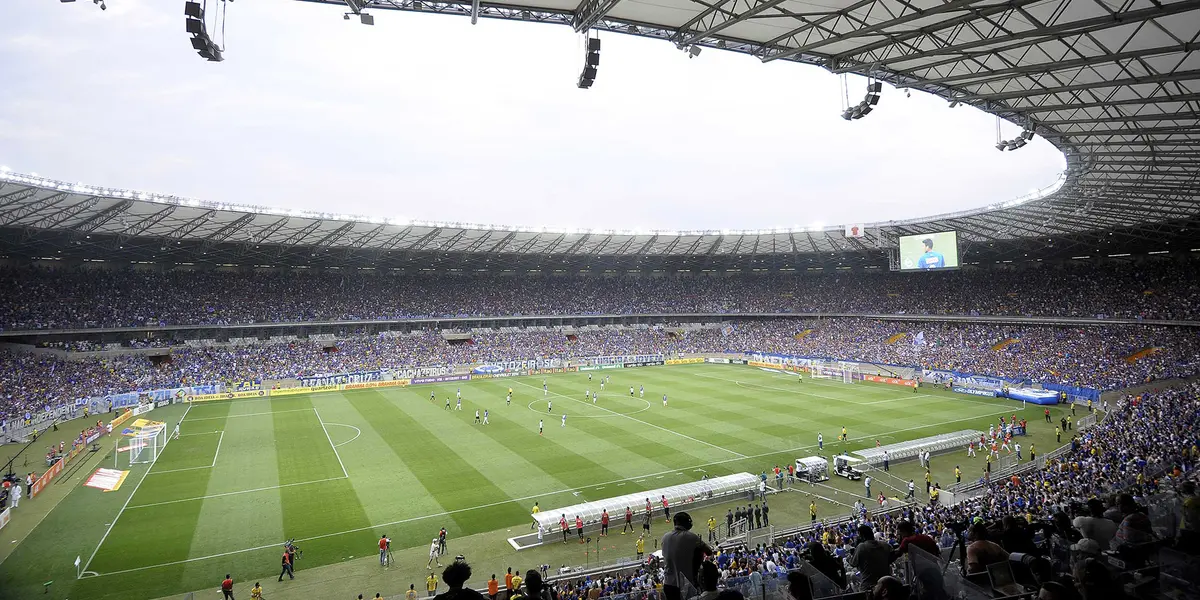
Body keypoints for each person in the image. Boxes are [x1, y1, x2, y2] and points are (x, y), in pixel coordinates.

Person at [661, 512, 712, 600]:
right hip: (686, 584)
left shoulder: (665, 537)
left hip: (668, 584)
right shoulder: (691, 537)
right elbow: (709, 552)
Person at [848, 525, 892, 590]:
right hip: (887, 583)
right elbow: (892, 557)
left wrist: (848, 558)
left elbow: (853, 563)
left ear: (862, 536)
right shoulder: (885, 545)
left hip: (868, 586)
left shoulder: (861, 547)